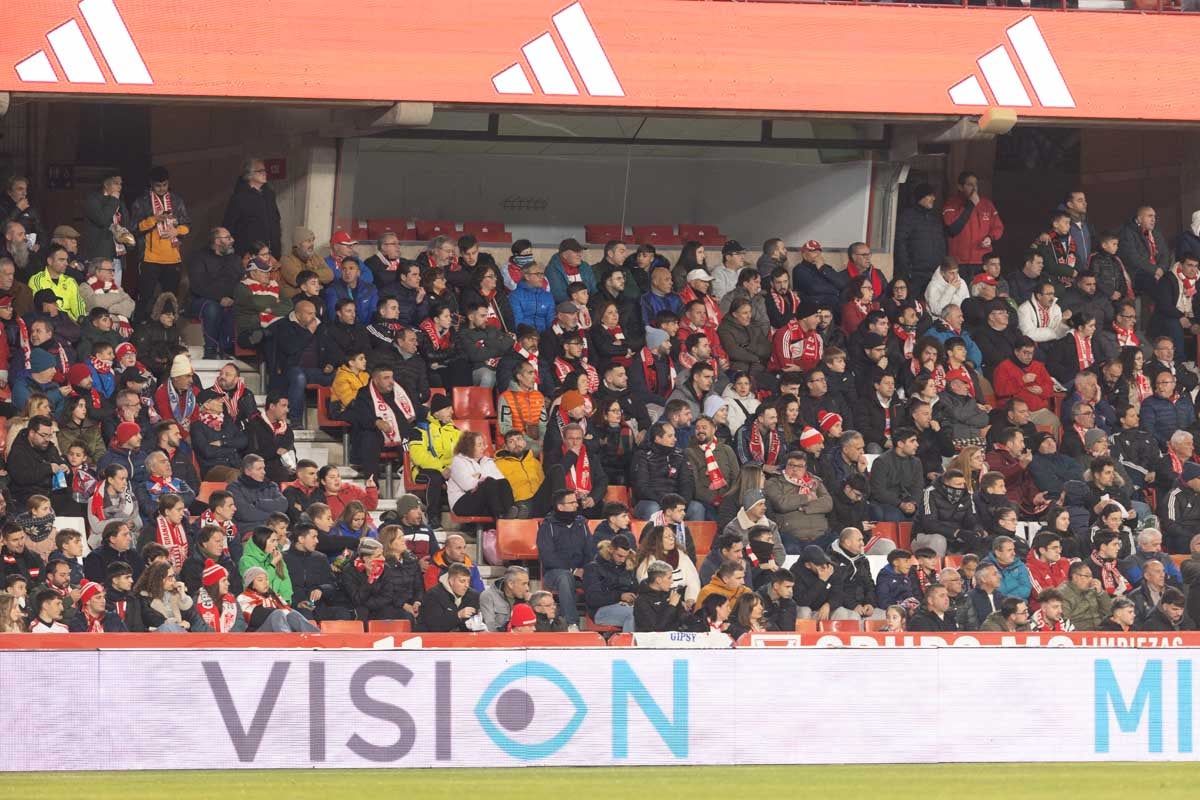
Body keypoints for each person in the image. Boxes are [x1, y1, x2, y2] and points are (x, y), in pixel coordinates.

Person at [345, 365, 422, 481]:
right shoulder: (364, 394)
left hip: (404, 433)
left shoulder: (401, 390)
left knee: (417, 434)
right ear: (375, 380)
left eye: (391, 377)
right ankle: (372, 485)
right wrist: (376, 422)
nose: (391, 382)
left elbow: (416, 408)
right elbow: (361, 415)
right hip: (378, 435)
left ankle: (415, 476)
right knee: (369, 437)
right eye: (386, 378)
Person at [536, 490, 592, 630]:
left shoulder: (581, 524)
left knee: (598, 572)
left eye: (576, 502)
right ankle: (572, 624)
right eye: (572, 503)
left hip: (581, 571)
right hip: (554, 573)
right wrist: (573, 571)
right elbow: (548, 557)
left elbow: (590, 551)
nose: (576, 505)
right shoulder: (547, 526)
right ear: (560, 507)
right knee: (565, 577)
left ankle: (599, 618)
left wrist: (587, 568)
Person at [943, 171, 1004, 273]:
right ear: (960, 187)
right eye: (970, 185)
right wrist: (971, 204)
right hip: (959, 262)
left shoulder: (986, 204)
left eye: (976, 184)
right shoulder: (951, 204)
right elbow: (952, 228)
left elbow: (998, 227)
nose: (974, 188)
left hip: (983, 260)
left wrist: (990, 237)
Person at [447, 431, 515, 521]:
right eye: (479, 445)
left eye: (483, 444)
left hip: (485, 501)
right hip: (461, 503)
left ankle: (509, 512)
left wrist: (479, 477)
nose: (483, 448)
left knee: (504, 482)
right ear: (469, 446)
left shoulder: (487, 461)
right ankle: (502, 516)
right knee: (489, 482)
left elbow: (500, 479)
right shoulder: (458, 461)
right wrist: (484, 480)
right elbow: (467, 485)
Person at [222, 157, 281, 259]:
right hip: (249, 254)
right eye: (260, 171)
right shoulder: (239, 198)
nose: (265, 173)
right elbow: (229, 226)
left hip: (271, 253)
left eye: (265, 170)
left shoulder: (269, 195)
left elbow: (276, 220)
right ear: (249, 174)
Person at [893, 183, 946, 295]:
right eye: (930, 195)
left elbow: (941, 244)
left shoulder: (935, 218)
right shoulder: (907, 216)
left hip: (934, 274)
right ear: (921, 197)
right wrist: (906, 270)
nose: (933, 198)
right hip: (915, 275)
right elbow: (900, 244)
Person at [236, 565, 317, 632]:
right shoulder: (243, 597)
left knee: (292, 615)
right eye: (260, 580)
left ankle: (316, 638)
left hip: (275, 629)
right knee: (277, 614)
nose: (265, 582)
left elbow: (287, 611)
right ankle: (287, 643)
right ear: (251, 584)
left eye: (267, 579)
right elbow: (255, 618)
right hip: (255, 633)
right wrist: (277, 611)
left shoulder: (274, 597)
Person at [828, 527, 885, 621]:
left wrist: (870, 603)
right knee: (854, 618)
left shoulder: (863, 560)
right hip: (840, 607)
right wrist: (853, 606)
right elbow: (835, 588)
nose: (863, 543)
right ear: (847, 542)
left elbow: (869, 585)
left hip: (862, 606)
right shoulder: (831, 560)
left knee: (885, 616)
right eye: (859, 540)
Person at [1117, 205, 1170, 292]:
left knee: (1172, 280)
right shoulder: (1128, 233)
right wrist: (1154, 270)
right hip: (1137, 274)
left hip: (1158, 271)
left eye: (1154, 216)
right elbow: (1133, 258)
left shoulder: (1156, 233)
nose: (1153, 219)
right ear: (1139, 219)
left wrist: (1161, 269)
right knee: (1159, 287)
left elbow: (1165, 255)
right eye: (1149, 216)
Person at [633, 559, 689, 633]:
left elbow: (684, 619)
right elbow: (656, 627)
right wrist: (672, 606)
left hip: (675, 639)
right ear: (658, 580)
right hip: (652, 641)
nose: (672, 581)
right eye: (669, 578)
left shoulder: (670, 594)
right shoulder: (641, 601)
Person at [479, 565, 532, 632]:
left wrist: (529, 604)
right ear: (511, 584)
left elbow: (532, 626)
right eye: (523, 584)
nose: (527, 588)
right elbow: (490, 628)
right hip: (499, 640)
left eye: (528, 584)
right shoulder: (488, 596)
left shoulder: (526, 599)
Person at [980, 535, 1032, 601]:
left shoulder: (1019, 565)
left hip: (1019, 605)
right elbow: (990, 591)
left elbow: (1026, 588)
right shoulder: (985, 567)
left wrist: (1007, 598)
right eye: (1009, 550)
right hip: (996, 606)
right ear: (998, 553)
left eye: (1013, 549)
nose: (1014, 553)